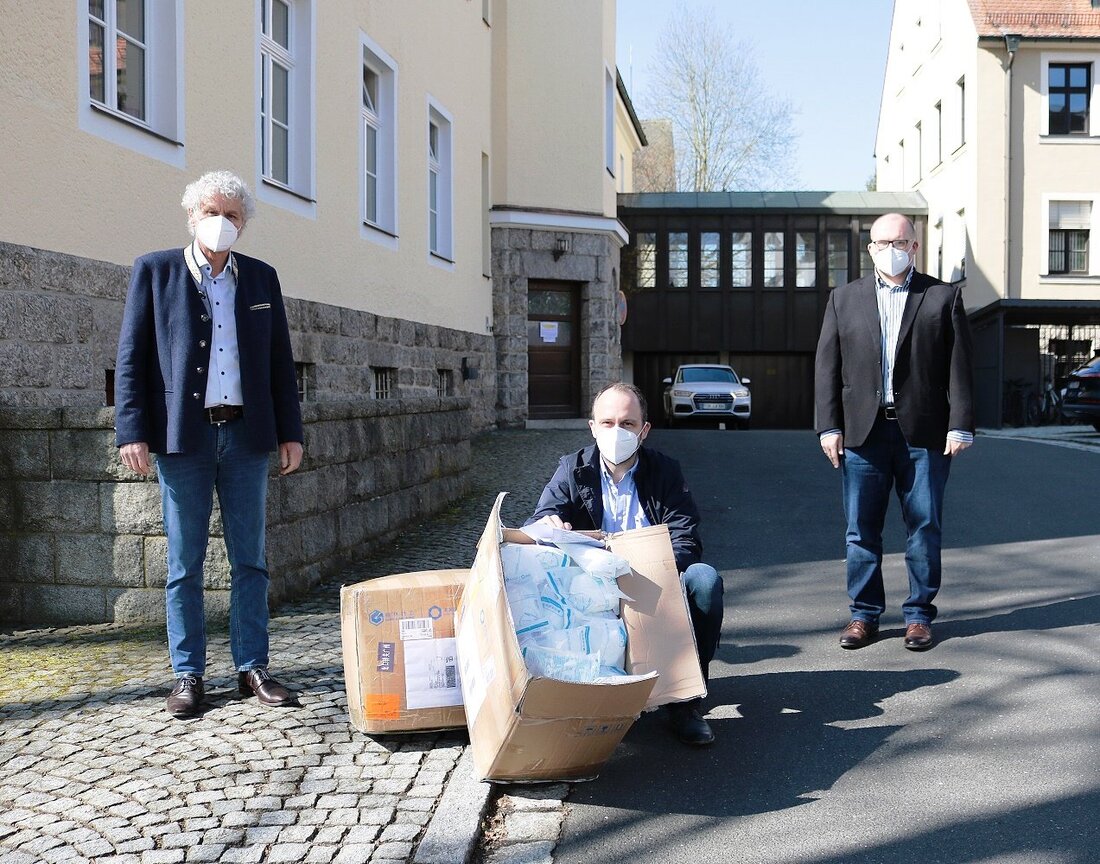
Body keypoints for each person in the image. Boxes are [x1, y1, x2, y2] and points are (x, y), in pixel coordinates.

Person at [115, 170, 304, 718]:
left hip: (246, 436)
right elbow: (132, 359)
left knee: (252, 560)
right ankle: (188, 674)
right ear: (193, 216)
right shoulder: (155, 272)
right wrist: (133, 430)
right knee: (185, 563)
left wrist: (290, 432)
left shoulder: (262, 279)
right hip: (184, 440)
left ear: (243, 224)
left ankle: (252, 667)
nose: (222, 223)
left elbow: (278, 363)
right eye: (213, 213)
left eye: (233, 215)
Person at [526, 383, 724, 746]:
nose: (617, 432)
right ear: (592, 427)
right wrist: (551, 524)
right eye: (607, 422)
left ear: (644, 430)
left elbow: (686, 537)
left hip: (653, 580)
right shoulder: (573, 469)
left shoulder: (665, 471)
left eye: (628, 423)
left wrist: (657, 568)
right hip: (590, 586)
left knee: (704, 580)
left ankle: (686, 701)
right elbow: (542, 519)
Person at [814, 212, 974, 652]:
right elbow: (827, 367)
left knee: (924, 526)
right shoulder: (843, 299)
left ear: (915, 247)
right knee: (860, 529)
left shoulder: (942, 297)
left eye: (901, 242)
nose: (892, 249)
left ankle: (919, 616)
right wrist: (828, 425)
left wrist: (961, 424)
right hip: (862, 434)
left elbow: (960, 366)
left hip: (924, 433)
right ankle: (863, 615)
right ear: (870, 249)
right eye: (883, 242)